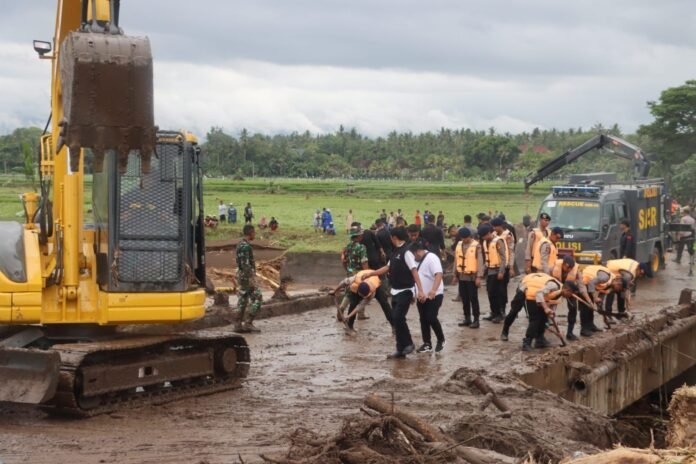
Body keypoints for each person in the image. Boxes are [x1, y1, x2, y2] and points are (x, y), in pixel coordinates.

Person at [365, 227, 426, 359]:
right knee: (395, 318)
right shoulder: (395, 252)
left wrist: (420, 290)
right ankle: (400, 348)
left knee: (398, 317)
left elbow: (414, 271)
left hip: (406, 290)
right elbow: (387, 267)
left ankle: (409, 343)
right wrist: (372, 273)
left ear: (394, 238)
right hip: (395, 290)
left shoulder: (407, 252)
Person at [516, 273, 576, 351]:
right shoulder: (554, 286)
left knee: (543, 320)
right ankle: (526, 342)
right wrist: (546, 308)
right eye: (570, 294)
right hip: (532, 297)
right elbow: (539, 293)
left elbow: (552, 304)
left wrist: (550, 313)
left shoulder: (561, 293)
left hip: (541, 301)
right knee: (535, 320)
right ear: (566, 290)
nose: (570, 296)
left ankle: (540, 340)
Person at [412, 240, 445, 353]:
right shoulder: (414, 261)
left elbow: (439, 274)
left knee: (431, 317)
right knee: (423, 319)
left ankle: (441, 339)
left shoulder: (431, 258)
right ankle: (427, 343)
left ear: (417, 252)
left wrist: (433, 290)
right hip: (421, 296)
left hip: (435, 294)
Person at [551, 256, 592, 341]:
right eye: (567, 268)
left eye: (571, 269)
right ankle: (542, 334)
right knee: (549, 309)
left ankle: (570, 333)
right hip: (555, 289)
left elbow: (582, 287)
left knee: (573, 308)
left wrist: (589, 301)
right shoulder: (553, 267)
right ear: (564, 264)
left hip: (569, 291)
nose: (569, 270)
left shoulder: (576, 271)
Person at [453, 227, 484, 328]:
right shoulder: (459, 245)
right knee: (464, 299)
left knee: (473, 299)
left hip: (472, 277)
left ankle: (476, 319)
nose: (464, 240)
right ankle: (467, 318)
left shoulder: (476, 246)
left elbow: (480, 262)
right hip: (462, 276)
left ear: (470, 236)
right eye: (462, 238)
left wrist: (479, 276)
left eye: (465, 238)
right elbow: (456, 260)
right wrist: (455, 275)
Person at [235, 225, 262, 333]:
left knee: (243, 299)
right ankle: (248, 323)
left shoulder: (239, 245)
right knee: (258, 298)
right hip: (247, 276)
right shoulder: (246, 247)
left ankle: (237, 324)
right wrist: (252, 278)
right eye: (254, 232)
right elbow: (246, 265)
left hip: (241, 275)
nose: (255, 234)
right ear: (250, 233)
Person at [479, 224, 507, 323]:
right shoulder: (485, 242)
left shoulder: (498, 241)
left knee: (498, 293)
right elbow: (487, 258)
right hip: (490, 270)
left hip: (498, 270)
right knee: (490, 292)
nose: (484, 238)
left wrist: (501, 272)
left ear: (489, 233)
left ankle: (499, 314)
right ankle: (494, 313)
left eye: (485, 236)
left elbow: (503, 258)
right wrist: (482, 270)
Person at [580, 264, 618, 335]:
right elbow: (591, 282)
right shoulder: (605, 277)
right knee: (585, 307)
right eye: (618, 288)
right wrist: (595, 297)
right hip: (584, 282)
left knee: (590, 308)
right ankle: (584, 329)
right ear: (618, 283)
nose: (617, 289)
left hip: (589, 285)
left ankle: (591, 325)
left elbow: (601, 296)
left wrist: (600, 308)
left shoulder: (610, 283)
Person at [491, 217, 513, 313]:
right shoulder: (493, 235)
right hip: (494, 266)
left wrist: (511, 267)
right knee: (494, 290)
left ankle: (502, 309)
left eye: (495, 227)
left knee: (502, 290)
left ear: (500, 226)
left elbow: (511, 251)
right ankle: (495, 311)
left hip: (505, 266)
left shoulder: (508, 235)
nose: (494, 228)